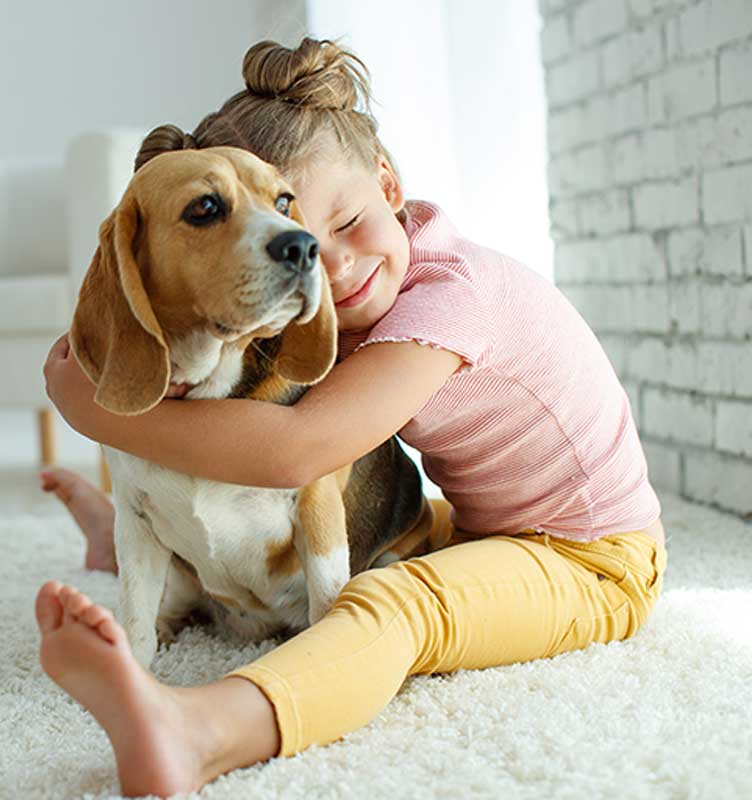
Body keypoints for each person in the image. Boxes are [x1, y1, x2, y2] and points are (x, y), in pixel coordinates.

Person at [34, 37, 667, 798]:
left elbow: (297, 452)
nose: (328, 264)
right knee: (386, 527)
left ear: (390, 184)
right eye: (301, 239)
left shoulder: (453, 299)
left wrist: (101, 414)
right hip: (477, 527)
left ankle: (202, 729)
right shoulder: (356, 297)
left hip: (594, 562)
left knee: (393, 603)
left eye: (346, 220)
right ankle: (136, 538)